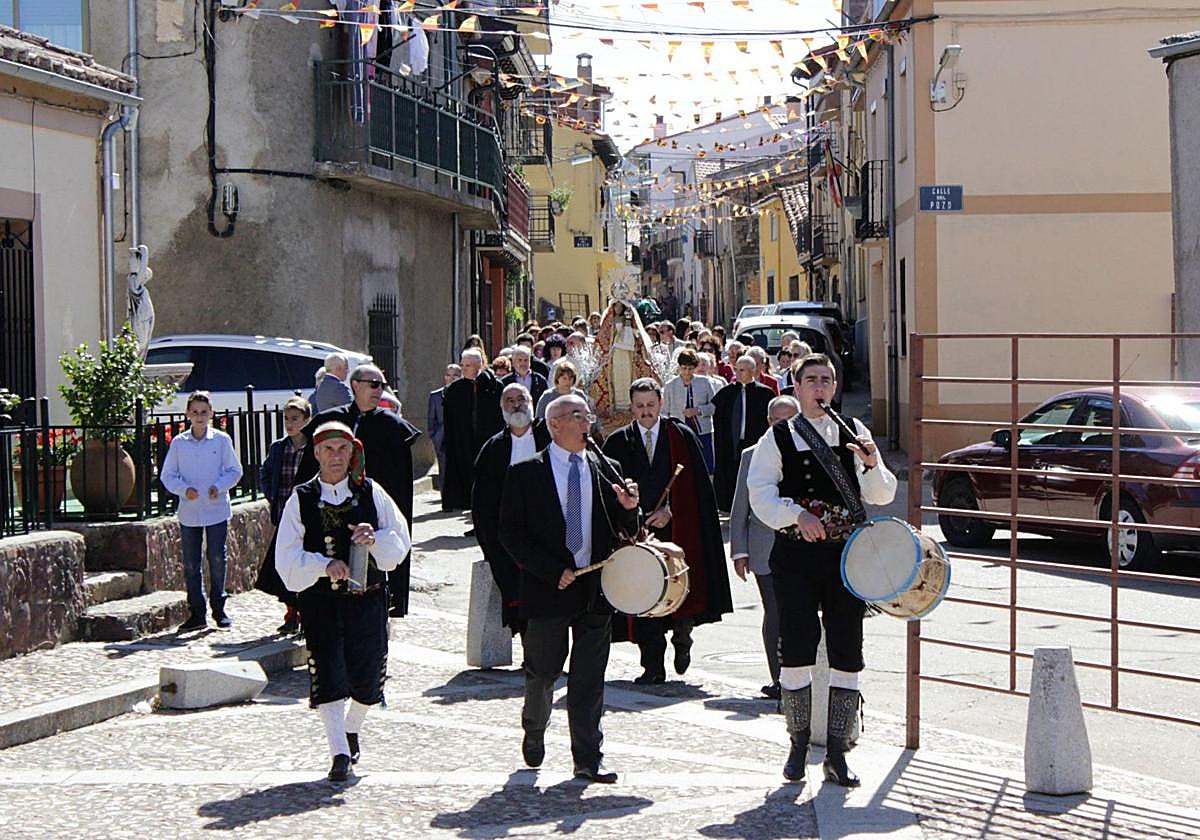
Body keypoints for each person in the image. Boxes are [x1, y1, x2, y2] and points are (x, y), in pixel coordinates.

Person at [748, 353, 897, 787]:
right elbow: (760, 493)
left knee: (848, 650)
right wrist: (797, 516)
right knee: (795, 648)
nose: (819, 387)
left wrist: (871, 463)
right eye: (811, 380)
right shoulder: (777, 437)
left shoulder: (855, 432)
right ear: (795, 388)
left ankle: (837, 751)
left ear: (834, 387)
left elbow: (882, 494)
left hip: (845, 560)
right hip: (795, 557)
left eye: (827, 380)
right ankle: (796, 746)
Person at [499, 394, 642, 784]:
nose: (586, 422)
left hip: (595, 588)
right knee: (543, 671)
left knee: (589, 678)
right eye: (577, 416)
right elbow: (509, 533)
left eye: (587, 415)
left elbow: (627, 529)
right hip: (549, 589)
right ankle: (534, 725)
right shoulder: (526, 472)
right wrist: (550, 570)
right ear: (555, 424)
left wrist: (630, 506)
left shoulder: (606, 468)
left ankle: (587, 757)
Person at [275, 422, 412, 782]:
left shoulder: (371, 492)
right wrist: (323, 565)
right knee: (329, 672)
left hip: (367, 600)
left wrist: (375, 538)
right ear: (317, 454)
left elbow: (400, 542)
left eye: (342, 449)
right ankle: (338, 751)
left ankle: (352, 726)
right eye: (328, 450)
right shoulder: (301, 499)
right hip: (321, 603)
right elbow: (286, 559)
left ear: (352, 453)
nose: (336, 457)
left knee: (368, 681)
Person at [602, 379, 732, 684]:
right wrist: (632, 514)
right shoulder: (619, 442)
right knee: (644, 597)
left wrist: (670, 510)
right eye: (639, 407)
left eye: (650, 405)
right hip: (636, 534)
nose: (646, 412)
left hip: (678, 528)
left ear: (660, 404)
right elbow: (608, 490)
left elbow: (697, 489)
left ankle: (682, 636)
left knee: (678, 593)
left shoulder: (681, 436)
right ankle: (652, 667)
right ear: (631, 407)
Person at [297, 364, 421, 617]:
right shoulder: (330, 421)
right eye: (374, 384)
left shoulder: (393, 427)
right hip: (329, 508)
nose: (380, 391)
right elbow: (307, 475)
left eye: (383, 386)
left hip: (371, 512)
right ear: (356, 385)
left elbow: (400, 487)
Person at [730, 395, 800, 700]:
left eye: (789, 420)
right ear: (768, 422)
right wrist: (739, 551)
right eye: (776, 421)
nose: (783, 426)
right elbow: (739, 508)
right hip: (764, 549)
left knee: (799, 611)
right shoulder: (752, 455)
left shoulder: (811, 450)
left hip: (802, 546)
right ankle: (778, 678)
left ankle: (800, 676)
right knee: (775, 611)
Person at [471, 383, 552, 636]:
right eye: (509, 400)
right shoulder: (493, 448)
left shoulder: (550, 438)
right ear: (501, 408)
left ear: (531, 402)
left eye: (521, 398)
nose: (516, 404)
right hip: (508, 535)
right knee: (517, 593)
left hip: (547, 532)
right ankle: (532, 653)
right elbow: (481, 503)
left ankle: (547, 654)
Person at [160, 391, 243, 630]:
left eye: (203, 412)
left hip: (215, 508)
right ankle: (196, 611)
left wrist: (219, 486)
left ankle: (219, 606)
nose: (199, 417)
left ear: (211, 414)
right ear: (188, 414)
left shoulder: (221, 440)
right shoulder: (179, 443)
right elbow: (168, 475)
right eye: (195, 412)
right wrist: (183, 489)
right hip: (190, 510)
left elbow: (234, 470)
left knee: (217, 558)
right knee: (190, 562)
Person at [255, 395, 312, 634]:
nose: (290, 424)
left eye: (295, 419)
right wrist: (272, 495)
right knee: (284, 566)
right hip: (284, 514)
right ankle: (291, 613)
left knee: (305, 565)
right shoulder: (279, 448)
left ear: (307, 420)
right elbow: (265, 473)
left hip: (306, 515)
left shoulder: (311, 448)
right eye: (287, 419)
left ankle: (307, 613)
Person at [440, 348, 503, 512]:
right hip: (463, 443)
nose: (464, 368)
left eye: (468, 365)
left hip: (486, 442)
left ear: (478, 366)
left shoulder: (494, 386)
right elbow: (449, 420)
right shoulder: (455, 390)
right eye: (463, 365)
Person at [711, 356, 774, 511]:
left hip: (755, 442)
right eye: (736, 369)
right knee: (731, 475)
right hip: (732, 443)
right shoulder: (726, 393)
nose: (738, 373)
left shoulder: (765, 394)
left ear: (753, 371)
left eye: (742, 370)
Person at [662, 349, 717, 474]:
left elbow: (714, 406)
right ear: (679, 367)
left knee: (705, 467)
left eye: (690, 368)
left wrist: (698, 410)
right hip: (680, 432)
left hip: (702, 431)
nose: (687, 372)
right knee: (683, 466)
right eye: (684, 368)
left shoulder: (705, 382)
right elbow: (665, 412)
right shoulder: (671, 385)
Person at [428, 364, 462, 493]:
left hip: (460, 436)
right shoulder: (436, 395)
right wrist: (434, 436)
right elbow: (432, 419)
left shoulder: (464, 394)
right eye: (448, 375)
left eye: (455, 375)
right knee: (444, 468)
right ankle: (445, 497)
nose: (451, 378)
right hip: (442, 438)